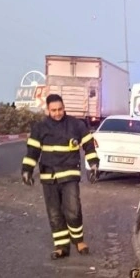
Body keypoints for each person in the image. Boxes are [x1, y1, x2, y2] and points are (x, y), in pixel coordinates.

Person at [21, 94, 100, 260]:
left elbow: (89, 145)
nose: (57, 113)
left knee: (73, 210)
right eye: (54, 110)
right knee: (54, 213)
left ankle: (78, 241)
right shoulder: (40, 128)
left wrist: (93, 164)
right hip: (49, 176)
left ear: (64, 107)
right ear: (47, 110)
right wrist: (27, 170)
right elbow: (32, 151)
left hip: (69, 174)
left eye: (60, 109)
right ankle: (61, 247)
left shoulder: (76, 125)